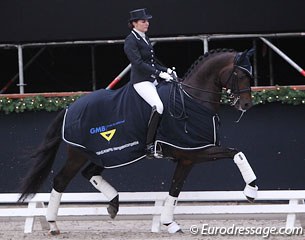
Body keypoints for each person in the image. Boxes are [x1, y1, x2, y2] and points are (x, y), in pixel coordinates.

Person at [124, 8, 175, 158]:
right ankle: (149, 146)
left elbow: (152, 61)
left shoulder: (144, 37)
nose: (147, 23)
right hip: (141, 81)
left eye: (147, 21)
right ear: (134, 23)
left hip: (152, 79)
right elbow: (138, 63)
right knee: (158, 106)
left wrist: (167, 70)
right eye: (143, 21)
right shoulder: (130, 40)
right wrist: (159, 74)